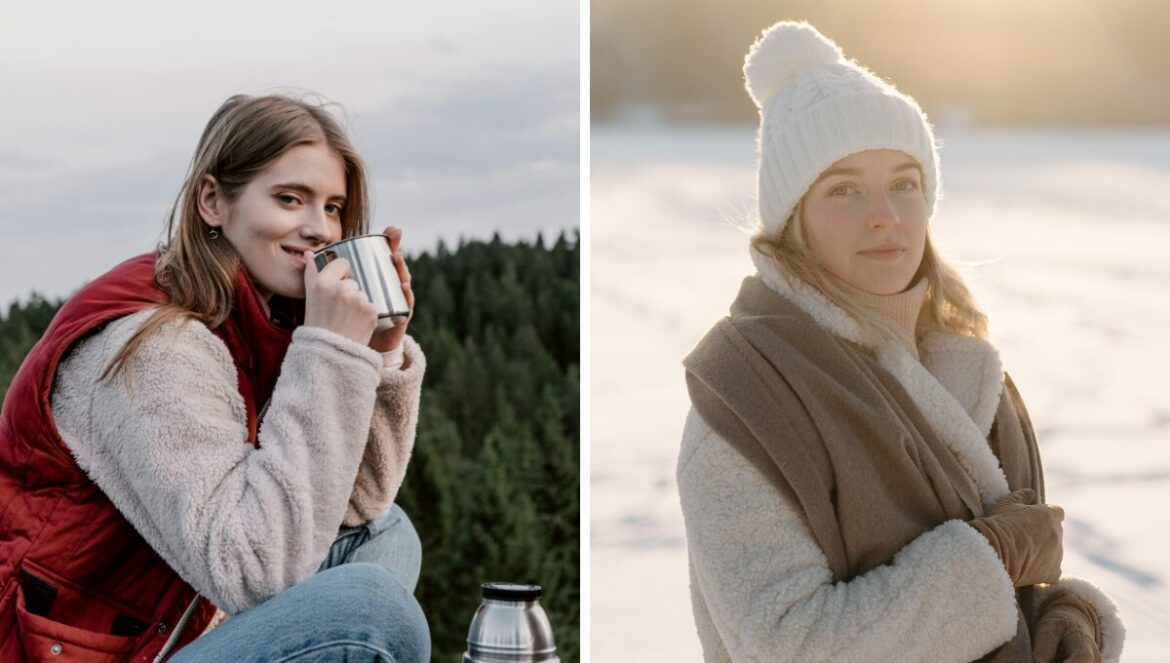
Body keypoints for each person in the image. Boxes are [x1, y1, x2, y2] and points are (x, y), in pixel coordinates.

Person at [678, 22, 1124, 663]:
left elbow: (1019, 588)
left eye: (905, 182)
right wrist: (992, 558)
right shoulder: (746, 401)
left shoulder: (971, 372)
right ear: (790, 221)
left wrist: (1065, 616)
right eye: (844, 189)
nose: (885, 213)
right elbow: (793, 645)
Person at [0, 93, 429, 661]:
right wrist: (330, 351)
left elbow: (358, 504)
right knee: (371, 608)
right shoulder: (155, 344)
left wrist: (377, 353)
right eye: (289, 199)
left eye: (332, 207)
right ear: (211, 201)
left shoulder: (251, 317)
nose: (319, 228)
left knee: (383, 532)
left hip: (176, 623)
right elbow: (252, 570)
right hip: (74, 650)